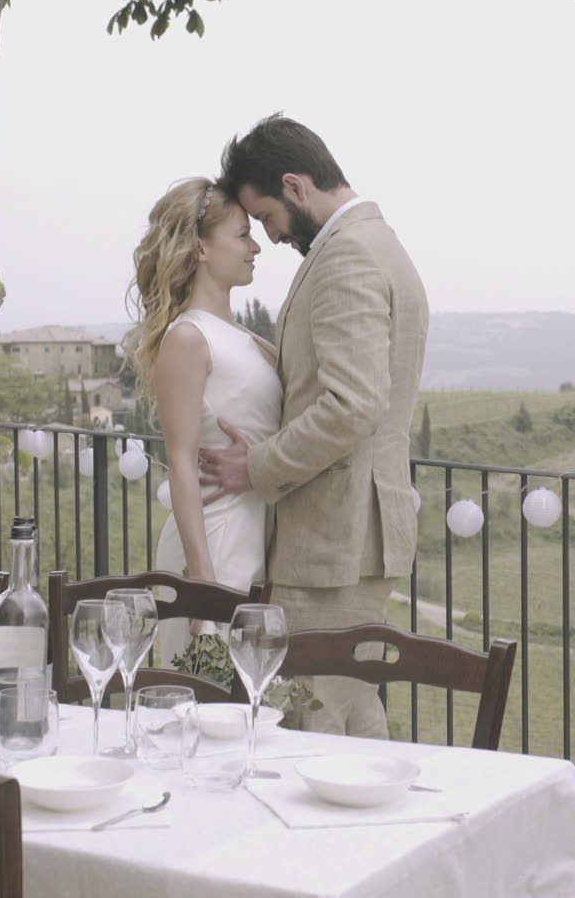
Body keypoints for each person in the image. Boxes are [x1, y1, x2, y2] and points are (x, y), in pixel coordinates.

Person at [199, 114, 429, 738]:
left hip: (332, 538)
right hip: (357, 533)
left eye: (268, 216)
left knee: (308, 726)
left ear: (296, 187)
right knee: (353, 715)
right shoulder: (379, 242)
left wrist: (257, 467)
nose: (272, 236)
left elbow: (353, 403)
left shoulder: (346, 256)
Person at [127, 178, 280, 664]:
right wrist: (203, 586)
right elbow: (181, 462)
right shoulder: (189, 339)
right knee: (204, 690)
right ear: (201, 249)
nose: (256, 247)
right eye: (242, 235)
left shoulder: (248, 341)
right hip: (214, 544)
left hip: (253, 538)